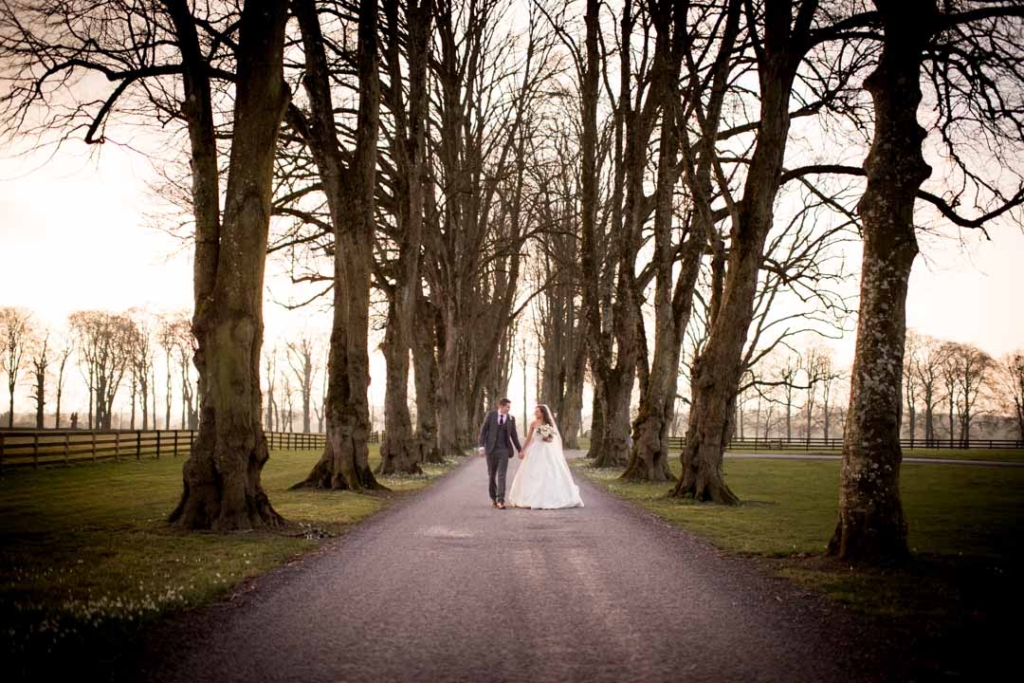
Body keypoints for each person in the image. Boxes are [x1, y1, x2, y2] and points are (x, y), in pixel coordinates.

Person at [507, 404, 584, 510]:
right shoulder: (533, 424)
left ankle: (550, 498)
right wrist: (522, 450)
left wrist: (546, 438)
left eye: (537, 411)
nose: (535, 413)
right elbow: (529, 439)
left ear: (543, 413)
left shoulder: (548, 424)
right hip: (535, 450)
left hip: (547, 450)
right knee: (531, 473)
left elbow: (551, 439)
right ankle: (529, 499)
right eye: (535, 411)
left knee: (548, 472)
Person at [477, 398, 522, 509]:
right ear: (500, 406)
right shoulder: (491, 415)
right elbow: (483, 431)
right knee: (492, 475)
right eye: (507, 407)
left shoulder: (511, 419)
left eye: (509, 407)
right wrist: (481, 446)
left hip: (504, 450)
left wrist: (520, 450)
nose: (509, 409)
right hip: (491, 449)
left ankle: (501, 500)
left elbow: (514, 436)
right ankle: (494, 498)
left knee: (502, 475)